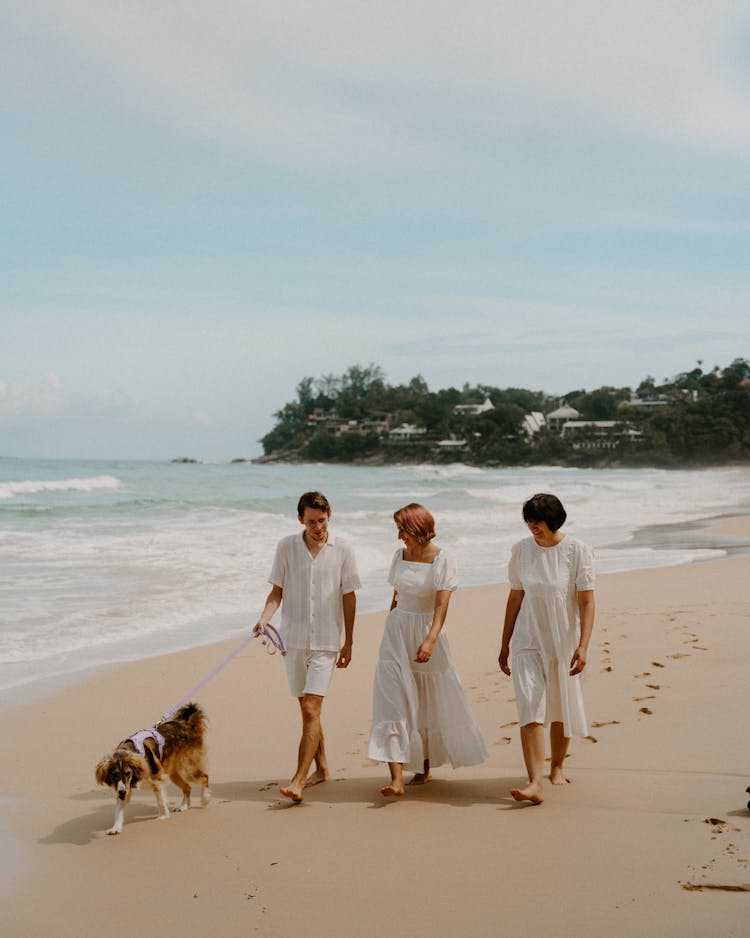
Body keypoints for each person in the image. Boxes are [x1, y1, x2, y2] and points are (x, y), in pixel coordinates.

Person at [368, 503, 487, 796]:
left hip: (425, 631)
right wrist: (390, 623)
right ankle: (396, 778)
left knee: (425, 698)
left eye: (402, 529)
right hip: (396, 633)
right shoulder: (400, 555)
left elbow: (441, 604)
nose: (398, 536)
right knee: (392, 699)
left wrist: (430, 639)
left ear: (418, 528)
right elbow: (396, 595)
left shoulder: (442, 559)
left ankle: (423, 768)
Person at [256, 491, 361, 803]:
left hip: (328, 640)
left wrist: (350, 641)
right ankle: (323, 768)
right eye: (312, 521)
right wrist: (264, 619)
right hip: (295, 640)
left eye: (323, 520)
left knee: (311, 708)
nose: (318, 527)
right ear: (300, 519)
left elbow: (349, 595)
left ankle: (298, 780)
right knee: (307, 712)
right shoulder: (286, 547)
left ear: (330, 515)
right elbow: (277, 592)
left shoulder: (342, 548)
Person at [498, 493, 595, 805]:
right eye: (528, 520)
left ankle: (557, 766)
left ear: (553, 520)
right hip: (527, 639)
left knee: (560, 704)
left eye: (537, 520)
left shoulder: (577, 550)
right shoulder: (521, 550)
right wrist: (504, 643)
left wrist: (583, 646)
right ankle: (534, 782)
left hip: (562, 639)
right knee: (530, 706)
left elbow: (586, 600)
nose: (531, 526)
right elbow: (515, 597)